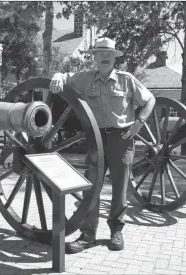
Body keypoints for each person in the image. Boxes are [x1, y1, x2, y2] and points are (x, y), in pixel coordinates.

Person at [49, 37, 156, 253]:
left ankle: (116, 232)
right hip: (95, 139)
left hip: (122, 139)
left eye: (109, 54)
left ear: (114, 58)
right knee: (92, 187)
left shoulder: (127, 80)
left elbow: (150, 99)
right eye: (100, 54)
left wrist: (139, 123)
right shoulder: (85, 78)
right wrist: (57, 76)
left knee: (120, 188)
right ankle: (88, 234)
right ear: (94, 57)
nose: (105, 57)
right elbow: (64, 76)